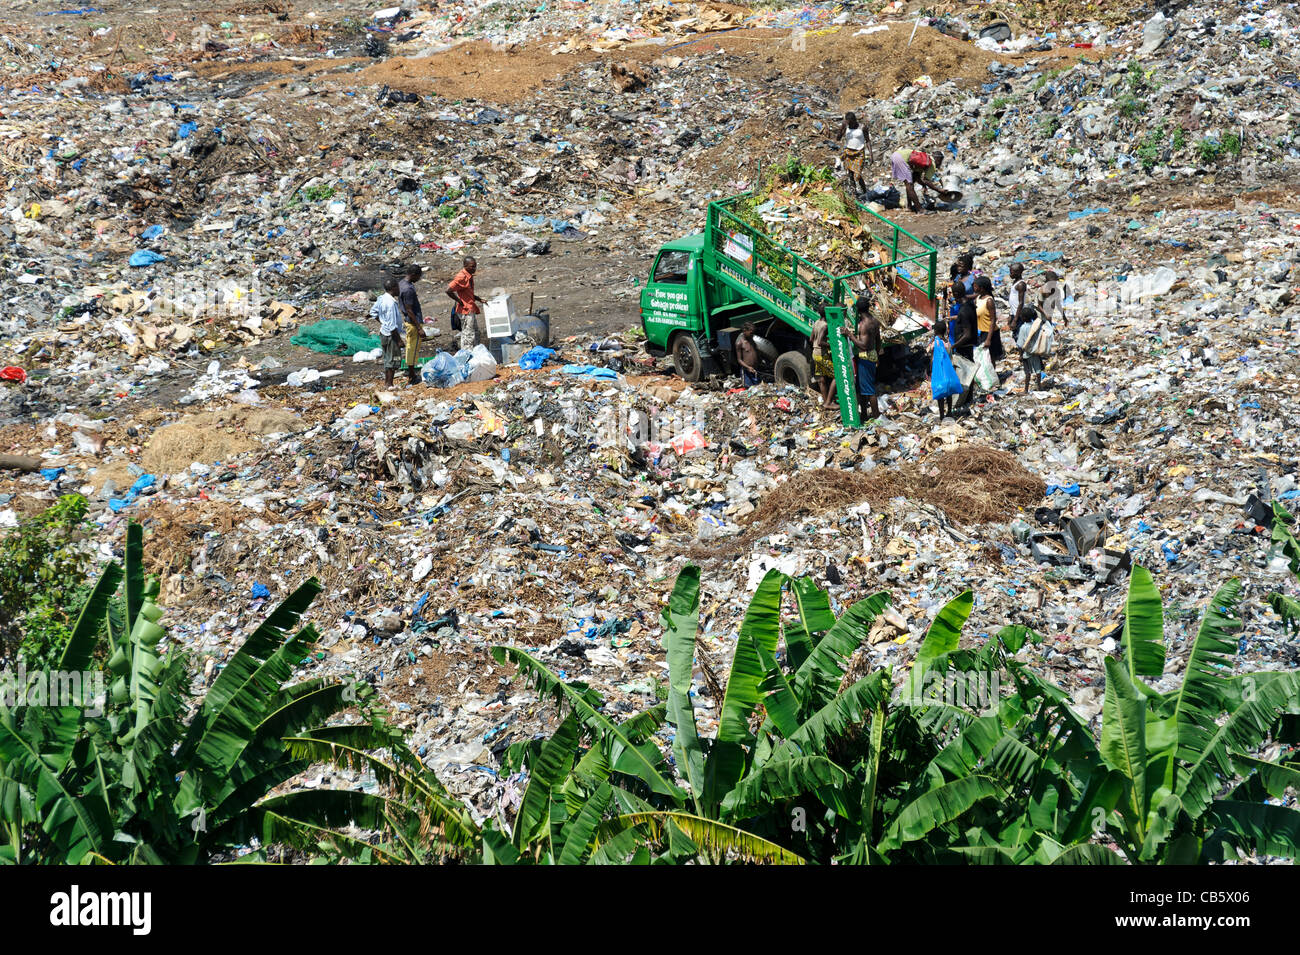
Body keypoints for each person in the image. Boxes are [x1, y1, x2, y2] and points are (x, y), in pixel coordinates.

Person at [840, 295, 881, 420]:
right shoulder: (874, 320)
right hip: (872, 355)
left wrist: (850, 335)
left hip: (865, 357)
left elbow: (863, 345)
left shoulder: (864, 325)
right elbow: (878, 340)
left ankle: (876, 417)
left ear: (858, 310)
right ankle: (863, 414)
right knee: (861, 388)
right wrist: (877, 355)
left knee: (869, 390)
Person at [446, 256, 487, 351]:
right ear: (465, 266)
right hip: (465, 310)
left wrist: (479, 299)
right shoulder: (461, 277)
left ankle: (477, 352)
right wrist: (459, 301)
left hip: (470, 308)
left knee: (475, 332)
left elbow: (468, 292)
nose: (474, 269)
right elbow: (448, 290)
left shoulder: (469, 276)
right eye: (472, 266)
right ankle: (467, 355)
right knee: (468, 335)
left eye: (475, 266)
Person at [370, 277, 405, 388]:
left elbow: (373, 312)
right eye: (398, 287)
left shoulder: (382, 298)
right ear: (394, 288)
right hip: (391, 336)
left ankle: (388, 383)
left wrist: (383, 322)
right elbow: (392, 325)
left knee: (388, 358)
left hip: (384, 333)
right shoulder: (390, 303)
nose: (399, 289)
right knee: (393, 360)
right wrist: (399, 341)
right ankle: (388, 384)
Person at [889, 145, 943, 212]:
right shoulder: (932, 164)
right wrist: (939, 190)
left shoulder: (925, 159)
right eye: (940, 161)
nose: (940, 163)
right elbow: (926, 181)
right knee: (909, 185)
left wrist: (923, 185)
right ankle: (920, 209)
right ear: (938, 160)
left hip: (897, 155)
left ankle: (909, 206)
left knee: (909, 184)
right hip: (901, 158)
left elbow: (916, 177)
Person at [398, 265, 427, 385]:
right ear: (414, 274)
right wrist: (419, 328)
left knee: (410, 347)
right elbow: (409, 309)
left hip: (408, 321)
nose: (419, 279)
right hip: (413, 322)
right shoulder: (408, 289)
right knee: (412, 349)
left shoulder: (402, 283)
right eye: (419, 276)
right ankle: (412, 375)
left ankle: (411, 372)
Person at [1012, 304, 1047, 394]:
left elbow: (1020, 344)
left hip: (1026, 354)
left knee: (1027, 372)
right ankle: (1039, 386)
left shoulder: (1023, 328)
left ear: (1023, 318)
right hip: (1036, 351)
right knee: (1038, 370)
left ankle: (1026, 389)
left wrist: (1020, 355)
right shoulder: (1036, 326)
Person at [836, 111, 872, 195]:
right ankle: (854, 193)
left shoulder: (862, 127)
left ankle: (865, 192)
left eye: (850, 122)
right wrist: (841, 128)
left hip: (859, 153)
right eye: (847, 122)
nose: (849, 124)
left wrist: (871, 155)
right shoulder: (846, 126)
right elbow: (838, 139)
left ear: (853, 120)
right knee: (851, 174)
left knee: (858, 175)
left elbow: (868, 141)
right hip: (848, 152)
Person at [973, 274, 1003, 364]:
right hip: (981, 332)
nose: (974, 288)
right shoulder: (978, 298)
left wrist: (988, 339)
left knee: (990, 359)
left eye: (975, 286)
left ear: (982, 288)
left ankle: (992, 377)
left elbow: (993, 320)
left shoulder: (989, 301)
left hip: (990, 333)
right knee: (983, 359)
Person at [810, 315, 836, 411]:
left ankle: (826, 402)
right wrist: (830, 345)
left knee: (821, 379)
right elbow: (820, 342)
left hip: (815, 354)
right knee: (837, 376)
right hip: (822, 355)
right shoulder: (825, 325)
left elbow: (811, 339)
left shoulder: (817, 322)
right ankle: (829, 402)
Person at [736, 322, 760, 387]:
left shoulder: (752, 340)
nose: (752, 334)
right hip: (746, 371)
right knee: (749, 389)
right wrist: (748, 367)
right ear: (744, 331)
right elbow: (739, 360)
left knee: (757, 387)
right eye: (751, 333)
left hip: (755, 369)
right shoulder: (740, 343)